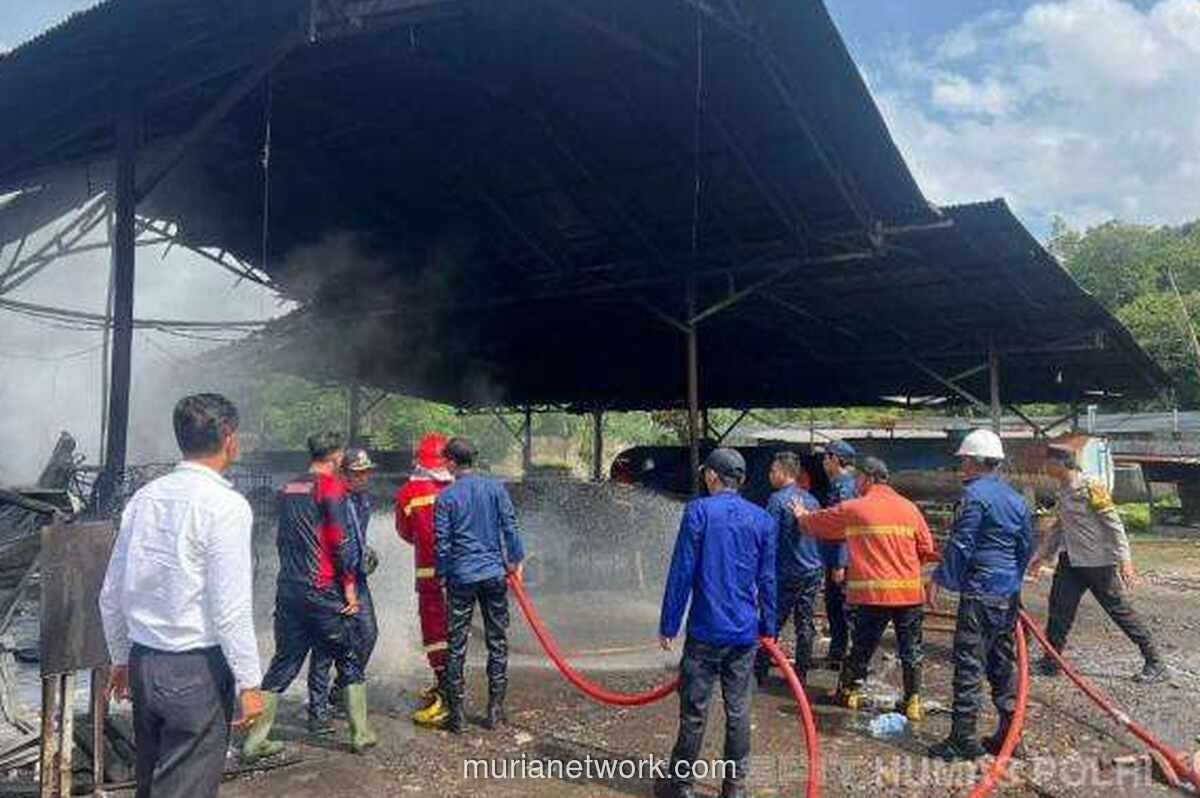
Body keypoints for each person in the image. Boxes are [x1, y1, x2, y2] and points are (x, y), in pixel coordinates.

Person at [99, 393, 265, 798]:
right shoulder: (226, 506)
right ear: (229, 438)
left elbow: (111, 591)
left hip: (144, 663)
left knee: (152, 781)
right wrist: (249, 682)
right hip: (195, 671)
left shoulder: (145, 498)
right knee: (186, 787)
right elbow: (230, 608)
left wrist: (120, 658)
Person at [242, 431, 377, 760]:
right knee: (348, 654)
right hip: (322, 588)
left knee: (284, 661)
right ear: (335, 456)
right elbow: (339, 540)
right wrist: (349, 587)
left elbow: (282, 537)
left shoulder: (290, 487)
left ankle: (255, 741)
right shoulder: (331, 488)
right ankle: (361, 734)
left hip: (289, 587)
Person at [657, 448, 776, 798]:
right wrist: (768, 627)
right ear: (741, 480)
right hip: (744, 634)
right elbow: (768, 579)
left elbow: (682, 571)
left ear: (711, 476)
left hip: (705, 632)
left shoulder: (699, 511)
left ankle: (682, 786)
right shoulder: (762, 519)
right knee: (739, 711)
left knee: (694, 712)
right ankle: (734, 787)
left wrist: (669, 624)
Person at [792, 456, 938, 721]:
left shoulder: (856, 508)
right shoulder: (910, 508)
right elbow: (927, 548)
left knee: (862, 646)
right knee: (911, 649)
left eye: (857, 477)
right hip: (909, 593)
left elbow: (820, 523)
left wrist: (802, 516)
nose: (855, 483)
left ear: (869, 478)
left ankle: (850, 692)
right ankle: (913, 700)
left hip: (874, 595)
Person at [927, 429, 1033, 762]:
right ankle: (1010, 735)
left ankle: (963, 739)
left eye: (963, 461)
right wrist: (1012, 581)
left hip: (980, 593)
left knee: (969, 663)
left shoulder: (974, 497)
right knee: (1002, 663)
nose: (961, 467)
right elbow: (1025, 546)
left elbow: (962, 543)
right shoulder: (1016, 499)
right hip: (1007, 594)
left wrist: (940, 579)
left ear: (974, 461)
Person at [1029, 444, 1167, 683]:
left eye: (1049, 462)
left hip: (1098, 562)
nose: (1045, 467)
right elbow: (1060, 526)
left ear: (1061, 463)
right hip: (1071, 561)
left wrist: (1125, 560)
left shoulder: (1091, 487)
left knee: (1119, 610)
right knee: (1059, 610)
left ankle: (1155, 661)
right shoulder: (1063, 489)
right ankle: (1051, 662)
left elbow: (1114, 525)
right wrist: (1041, 555)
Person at [434, 437, 526, 733]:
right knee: (497, 640)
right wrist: (516, 560)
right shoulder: (496, 488)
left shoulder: (445, 498)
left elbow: (442, 544)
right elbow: (510, 527)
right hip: (493, 575)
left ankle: (457, 715)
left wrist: (441, 574)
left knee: (456, 645)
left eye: (445, 460)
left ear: (451, 462)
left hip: (461, 577)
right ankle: (494, 710)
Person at [307, 447, 380, 734]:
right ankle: (318, 708)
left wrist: (364, 552)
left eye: (366, 472)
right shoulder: (331, 497)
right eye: (357, 473)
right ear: (343, 473)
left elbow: (355, 535)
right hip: (332, 580)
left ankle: (341, 689)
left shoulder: (363, 499)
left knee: (368, 634)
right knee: (326, 644)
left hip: (356, 579)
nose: (363, 478)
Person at [395, 432, 455, 727]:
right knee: (455, 629)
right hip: (460, 574)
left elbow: (405, 532)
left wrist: (424, 543)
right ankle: (448, 685)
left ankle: (446, 693)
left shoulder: (408, 492)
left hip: (429, 575)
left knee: (435, 632)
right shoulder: (458, 486)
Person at [753, 451, 823, 690]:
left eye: (773, 471)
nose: (770, 475)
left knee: (771, 621)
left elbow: (769, 539)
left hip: (787, 572)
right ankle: (801, 675)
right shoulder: (812, 500)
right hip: (812, 570)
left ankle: (759, 672)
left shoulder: (777, 500)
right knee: (805, 623)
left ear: (783, 473)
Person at [817, 439, 857, 670]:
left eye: (826, 457)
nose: (823, 462)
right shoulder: (840, 484)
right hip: (834, 557)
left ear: (834, 459)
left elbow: (844, 525)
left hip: (842, 559)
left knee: (842, 607)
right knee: (835, 607)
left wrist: (840, 562)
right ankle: (838, 654)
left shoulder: (844, 487)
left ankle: (848, 657)